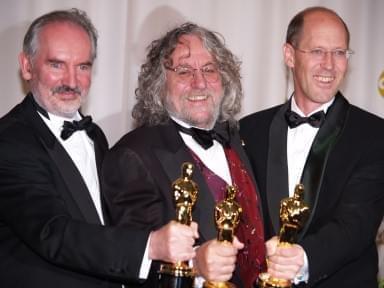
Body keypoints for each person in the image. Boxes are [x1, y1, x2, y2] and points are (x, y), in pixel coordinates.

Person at [0, 9, 198, 288]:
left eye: (83, 66)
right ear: (27, 66)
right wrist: (150, 246)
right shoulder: (10, 141)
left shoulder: (95, 137)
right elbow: (53, 233)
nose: (71, 81)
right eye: (57, 65)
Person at [102, 22, 266, 288]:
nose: (199, 83)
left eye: (209, 70)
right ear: (159, 83)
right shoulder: (131, 156)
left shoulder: (236, 138)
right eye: (184, 71)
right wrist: (196, 266)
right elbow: (136, 261)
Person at [240, 6, 384, 288]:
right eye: (317, 51)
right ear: (290, 55)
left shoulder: (375, 135)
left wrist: (302, 258)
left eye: (339, 52)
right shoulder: (249, 130)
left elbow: (356, 225)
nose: (329, 64)